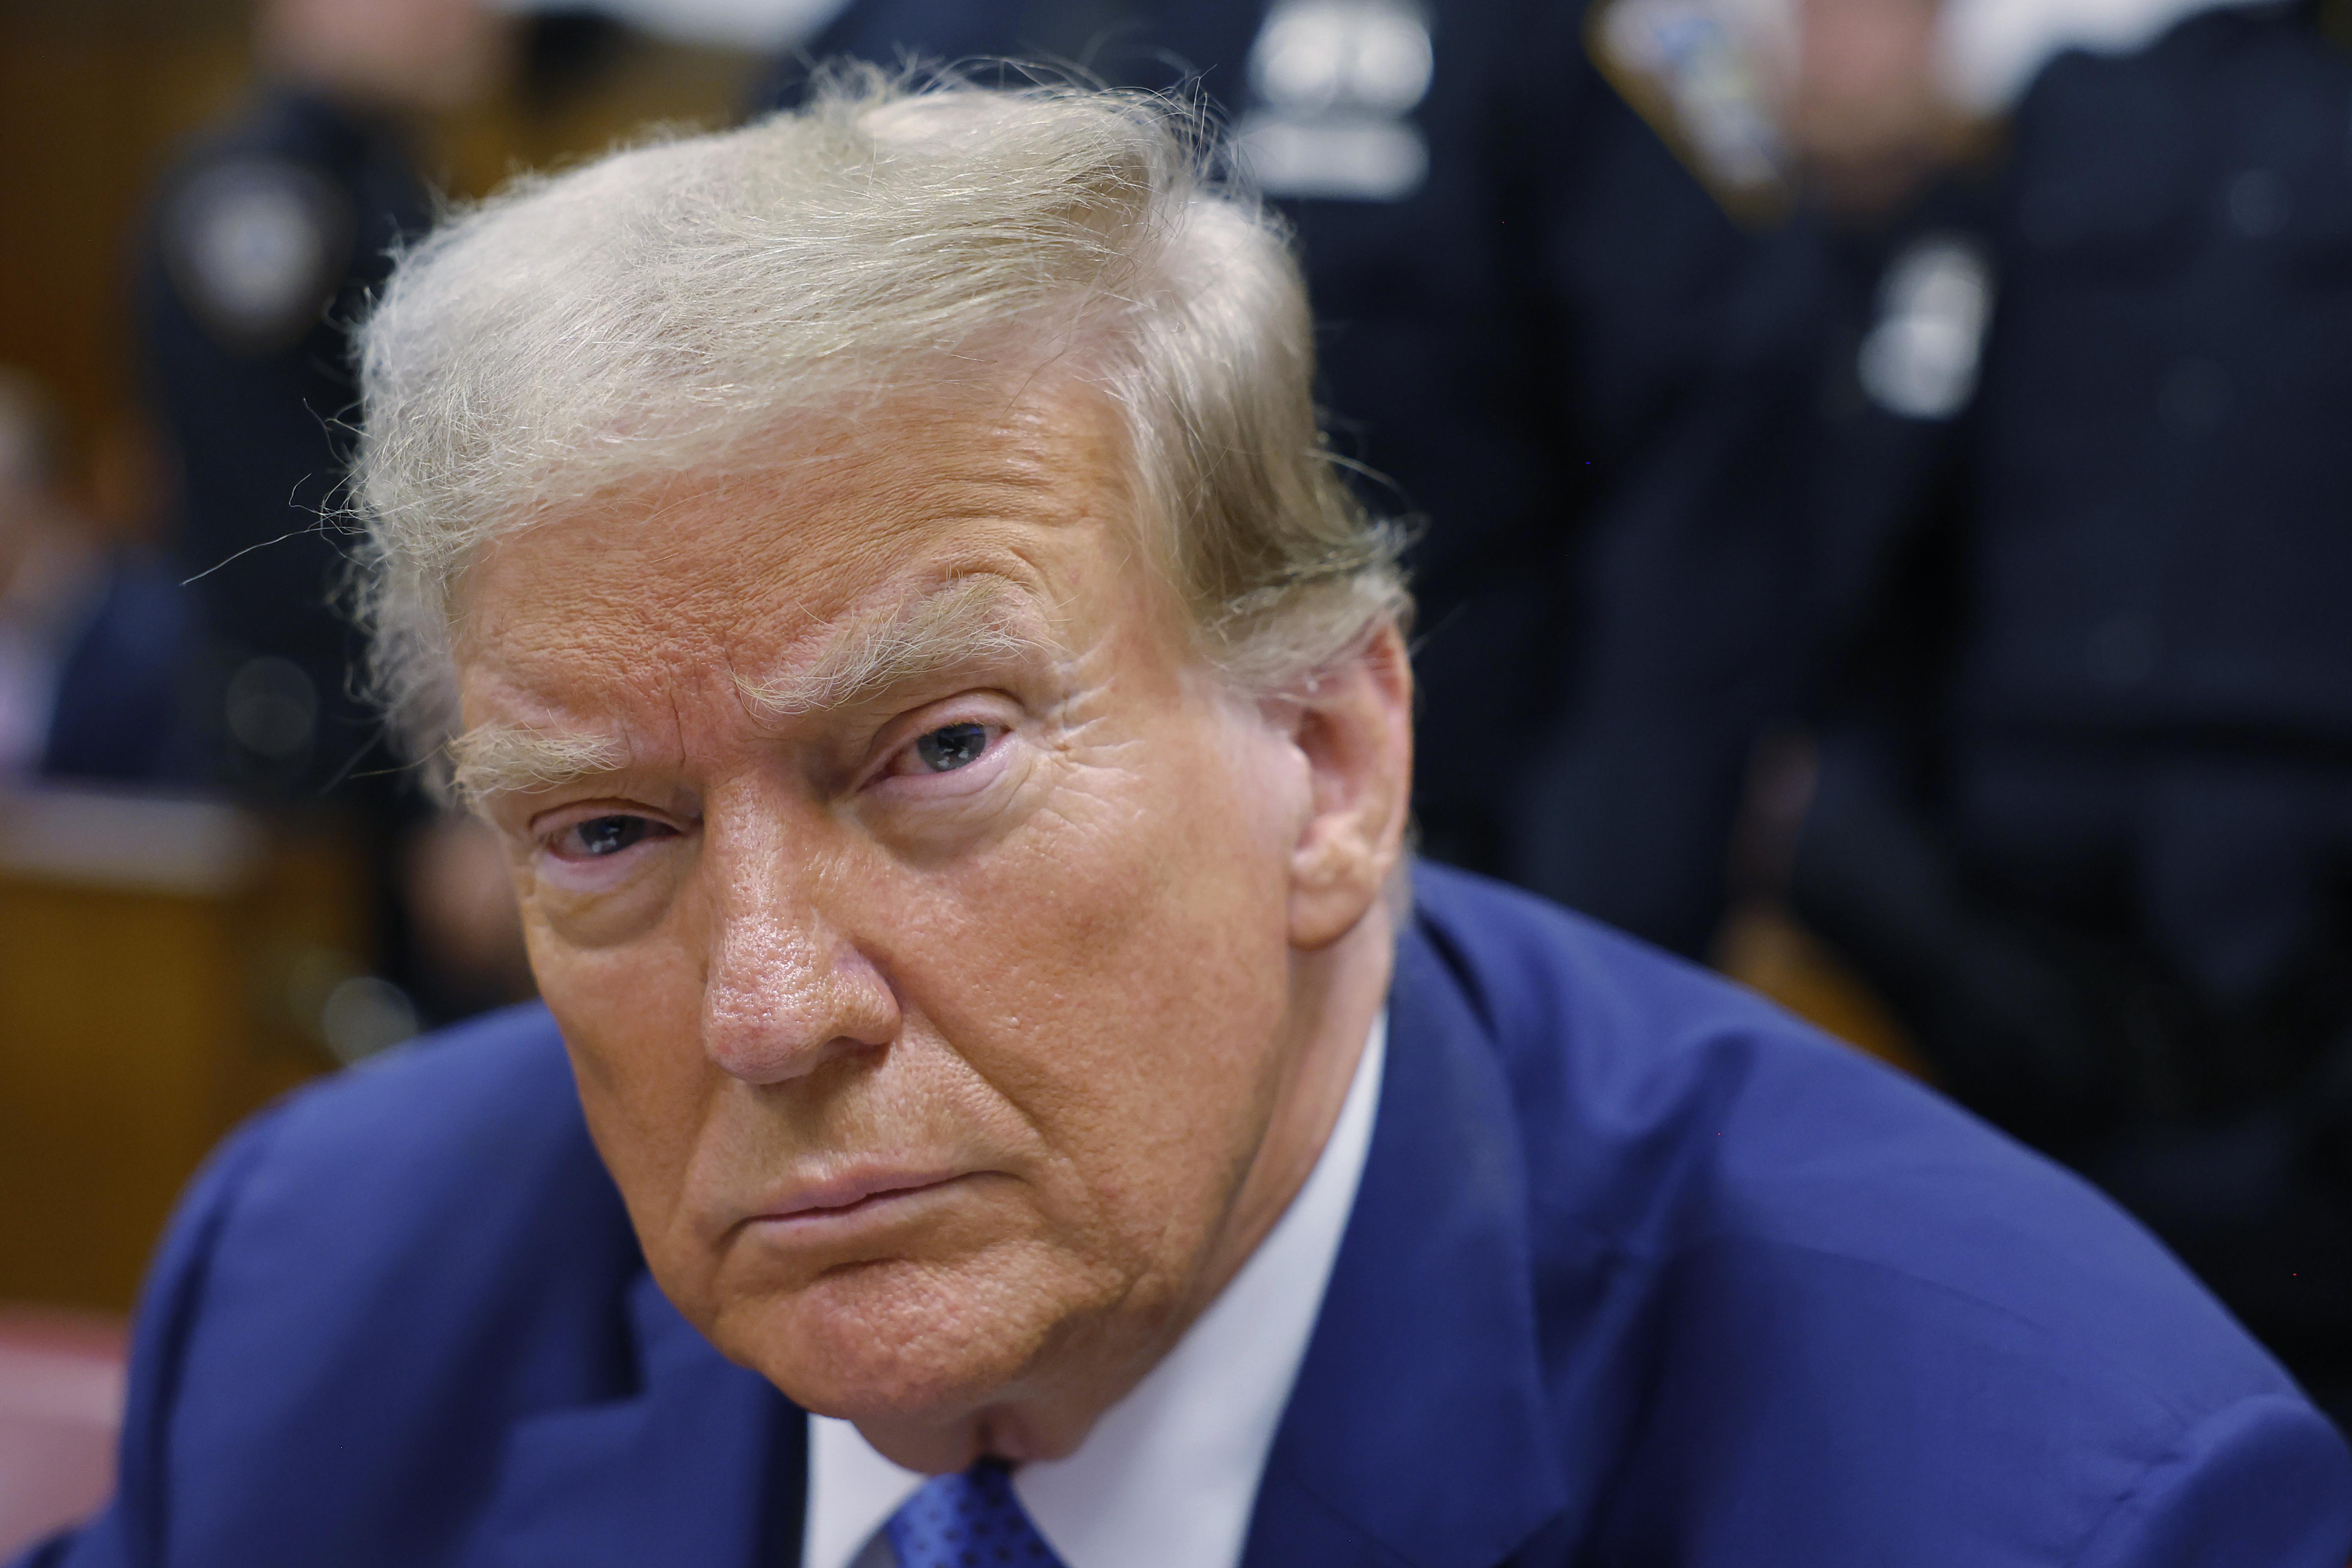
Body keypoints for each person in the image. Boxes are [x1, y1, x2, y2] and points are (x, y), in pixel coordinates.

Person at [18, 73, 2350, 1568]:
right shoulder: (331, 1308)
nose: (764, 1008)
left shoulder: (2041, 1502)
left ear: (1329, 760)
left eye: (935, 756)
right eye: (606, 832)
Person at [758, 0, 1821, 958]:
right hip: (964, 869)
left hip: (1438, 863)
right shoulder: (894, 34)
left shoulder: (1538, 35)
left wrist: (1587, 931)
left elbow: (1708, 476)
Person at [1782, 0, 2352, 1420]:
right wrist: (1886, 887)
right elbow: (1874, 538)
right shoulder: (2074, 119)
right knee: (2003, 1409)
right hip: (2003, 947)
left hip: (2297, 979)